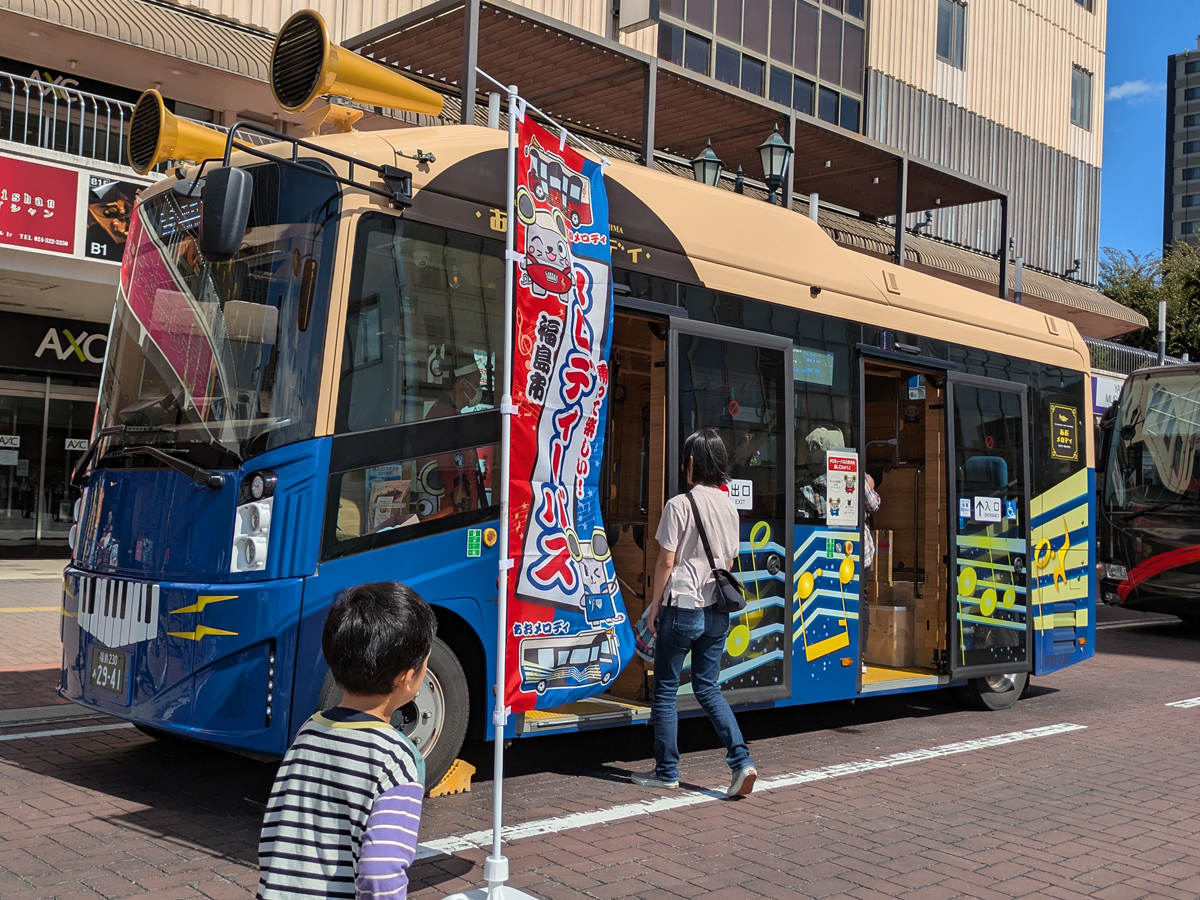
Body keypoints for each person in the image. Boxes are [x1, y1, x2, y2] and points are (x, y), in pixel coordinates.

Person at [256, 582, 437, 900]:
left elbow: (275, 835)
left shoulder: (309, 732)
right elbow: (381, 873)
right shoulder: (396, 758)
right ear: (407, 678)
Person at [632, 428, 757, 798]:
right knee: (708, 688)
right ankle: (742, 762)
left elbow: (666, 560)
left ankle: (667, 771)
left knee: (666, 690)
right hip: (718, 609)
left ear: (691, 463)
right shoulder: (729, 506)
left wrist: (655, 606)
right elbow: (730, 559)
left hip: (683, 605)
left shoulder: (679, 505)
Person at [422, 351, 486, 518]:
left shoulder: (445, 413)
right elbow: (454, 478)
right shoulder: (447, 419)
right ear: (463, 383)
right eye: (477, 382)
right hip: (451, 515)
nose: (479, 388)